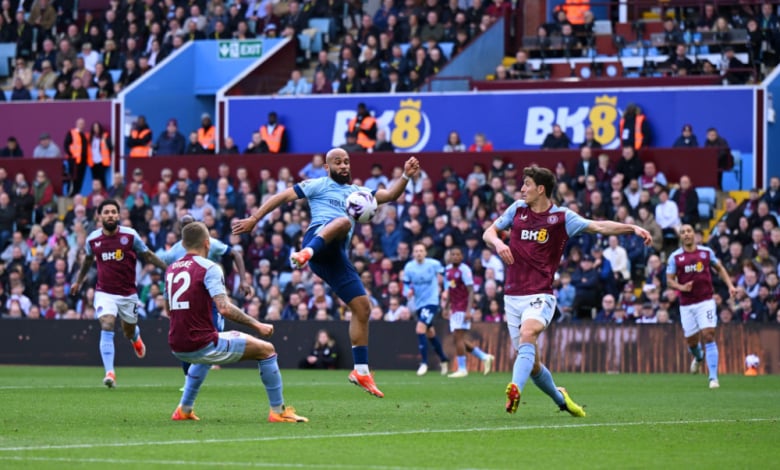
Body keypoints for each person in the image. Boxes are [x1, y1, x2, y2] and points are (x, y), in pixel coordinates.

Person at [233, 150, 423, 398]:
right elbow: (282, 196)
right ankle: (305, 253)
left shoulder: (358, 192)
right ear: (326, 167)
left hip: (335, 257)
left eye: (346, 162)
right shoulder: (317, 185)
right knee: (343, 222)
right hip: (316, 241)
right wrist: (255, 218)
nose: (344, 166)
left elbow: (389, 195)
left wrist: (406, 177)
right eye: (338, 162)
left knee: (363, 307)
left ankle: (361, 371)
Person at [483, 165, 651, 416]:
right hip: (512, 295)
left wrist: (632, 228)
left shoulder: (562, 218)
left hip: (540, 294)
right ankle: (561, 399)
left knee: (528, 333)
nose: (522, 189)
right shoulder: (517, 209)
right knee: (534, 364)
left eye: (526, 184)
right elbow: (489, 231)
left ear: (541, 189)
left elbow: (598, 226)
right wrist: (498, 242)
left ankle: (514, 389)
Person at [166, 221, 307, 423]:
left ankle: (184, 409)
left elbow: (168, 309)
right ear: (207, 243)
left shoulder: (171, 269)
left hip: (177, 344)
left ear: (183, 243)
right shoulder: (209, 267)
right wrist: (257, 325)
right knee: (267, 350)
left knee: (205, 359)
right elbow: (224, 308)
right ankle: (278, 411)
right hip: (202, 342)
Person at [72, 199, 168, 388]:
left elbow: (147, 255)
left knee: (128, 330)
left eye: (113, 212)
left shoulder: (130, 236)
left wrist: (168, 268)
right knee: (107, 323)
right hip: (104, 292)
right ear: (100, 216)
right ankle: (110, 372)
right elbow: (88, 261)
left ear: (118, 215)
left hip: (128, 294)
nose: (110, 215)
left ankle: (135, 337)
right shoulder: (93, 239)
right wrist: (79, 281)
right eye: (106, 212)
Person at [159, 214, 250, 376]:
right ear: (180, 229)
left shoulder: (211, 244)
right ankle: (192, 376)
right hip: (188, 298)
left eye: (189, 223)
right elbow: (164, 267)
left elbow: (235, 254)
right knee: (187, 334)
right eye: (184, 224)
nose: (187, 227)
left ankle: (205, 363)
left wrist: (243, 280)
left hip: (210, 295)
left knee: (211, 330)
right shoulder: (174, 251)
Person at [666, 224, 736, 389]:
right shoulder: (675, 257)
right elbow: (669, 280)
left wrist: (730, 286)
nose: (686, 234)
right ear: (681, 237)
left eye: (689, 231)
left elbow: (719, 268)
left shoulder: (706, 253)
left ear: (695, 235)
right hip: (687, 305)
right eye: (683, 232)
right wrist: (682, 288)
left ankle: (713, 378)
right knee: (691, 341)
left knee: (709, 334)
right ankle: (698, 357)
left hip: (706, 301)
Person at [443, 245, 495, 377]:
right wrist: (446, 307)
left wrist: (468, 310)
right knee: (457, 338)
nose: (455, 256)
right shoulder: (448, 270)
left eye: (457, 254)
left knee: (458, 337)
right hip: (454, 308)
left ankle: (462, 369)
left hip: (463, 307)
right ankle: (484, 357)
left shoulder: (464, 270)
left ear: (462, 256)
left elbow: (471, 291)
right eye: (453, 254)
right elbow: (450, 289)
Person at [403, 242, 450, 376]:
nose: (418, 253)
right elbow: (405, 284)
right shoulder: (409, 267)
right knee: (430, 333)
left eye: (421, 251)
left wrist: (446, 290)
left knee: (420, 328)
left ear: (425, 253)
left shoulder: (433, 264)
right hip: (419, 303)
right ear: (413, 253)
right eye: (416, 251)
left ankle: (424, 363)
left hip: (432, 302)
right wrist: (408, 291)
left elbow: (445, 275)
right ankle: (443, 359)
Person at [64, 118, 88, 195]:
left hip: (82, 162)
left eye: (83, 124)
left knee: (80, 179)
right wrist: (71, 156)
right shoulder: (71, 133)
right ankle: (71, 194)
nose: (82, 125)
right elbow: (66, 145)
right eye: (80, 123)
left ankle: (77, 194)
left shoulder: (85, 135)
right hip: (74, 161)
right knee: (73, 179)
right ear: (77, 124)